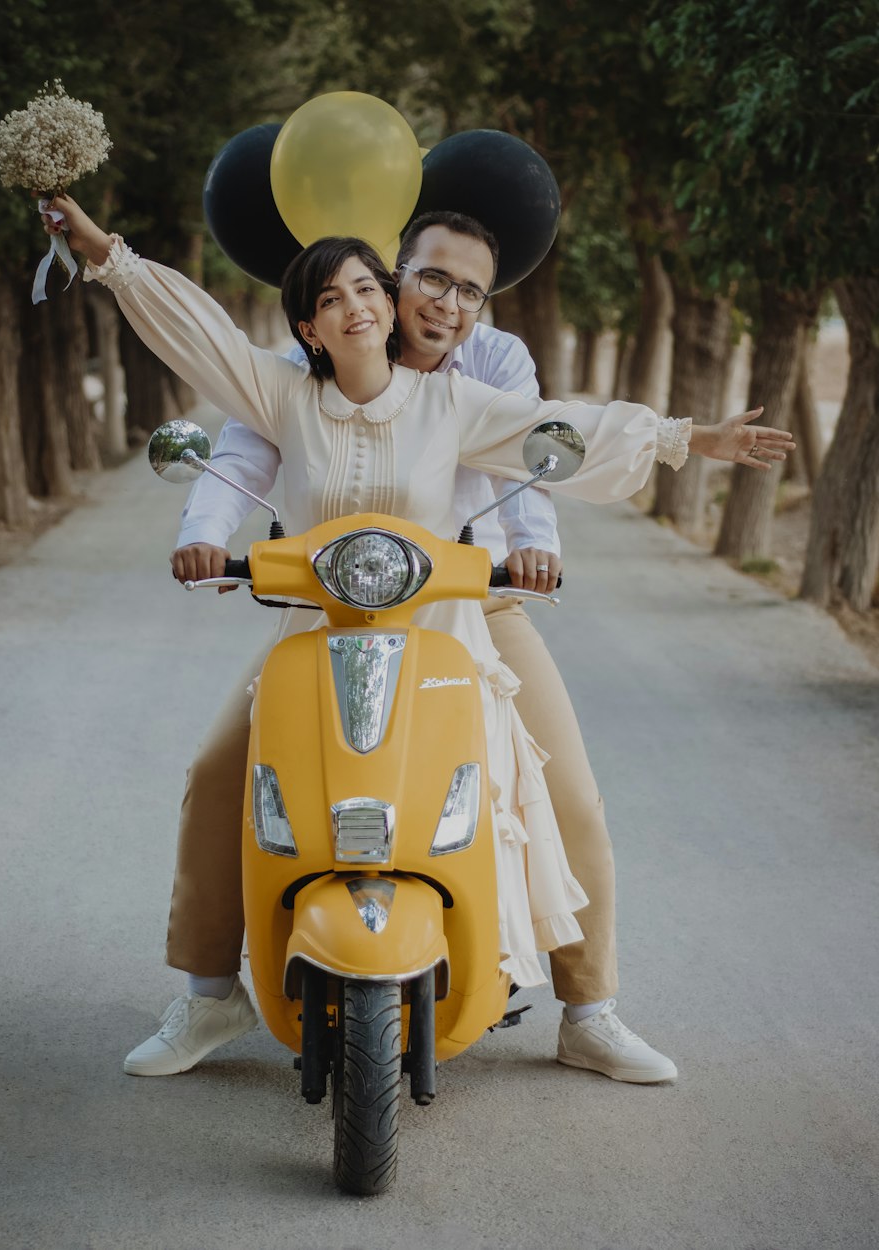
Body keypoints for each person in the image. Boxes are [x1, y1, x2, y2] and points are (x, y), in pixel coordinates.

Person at [45, 198, 791, 1085]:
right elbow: (204, 352)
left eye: (468, 289)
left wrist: (685, 439)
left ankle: (590, 1012)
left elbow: (553, 434)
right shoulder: (288, 384)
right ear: (389, 284)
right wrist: (107, 256)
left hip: (461, 616)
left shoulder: (466, 387)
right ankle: (212, 993)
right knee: (218, 771)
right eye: (426, 278)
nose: (444, 300)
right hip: (321, 620)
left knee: (566, 793)